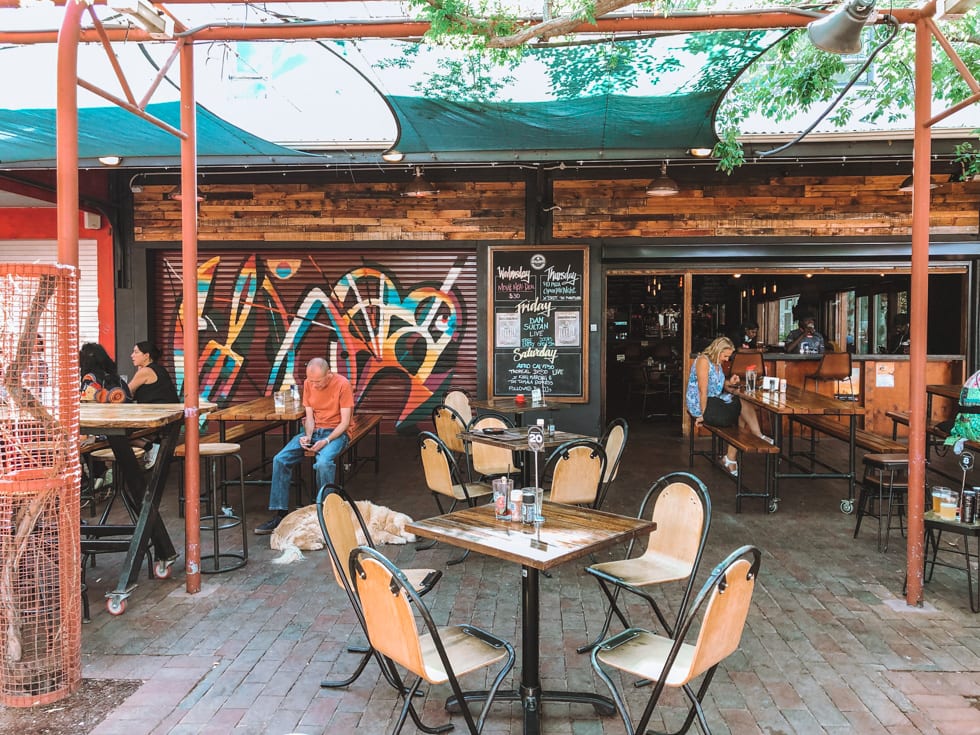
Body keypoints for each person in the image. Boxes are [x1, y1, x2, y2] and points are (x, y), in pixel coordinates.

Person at [255, 357, 354, 534]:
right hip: (315, 431)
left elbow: (345, 423)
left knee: (323, 463)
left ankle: (326, 510)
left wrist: (326, 441)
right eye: (311, 381)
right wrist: (307, 437)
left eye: (318, 381)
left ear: (329, 374)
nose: (314, 385)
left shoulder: (342, 384)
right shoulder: (309, 383)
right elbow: (309, 417)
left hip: (336, 433)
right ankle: (280, 513)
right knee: (280, 459)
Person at [686, 336, 772, 477]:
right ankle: (751, 440)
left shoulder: (717, 363)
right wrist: (703, 415)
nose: (727, 360)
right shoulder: (703, 361)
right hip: (702, 404)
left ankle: (732, 457)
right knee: (740, 408)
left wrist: (729, 382)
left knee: (742, 403)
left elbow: (718, 384)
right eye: (725, 356)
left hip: (715, 400)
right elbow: (703, 390)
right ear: (717, 350)